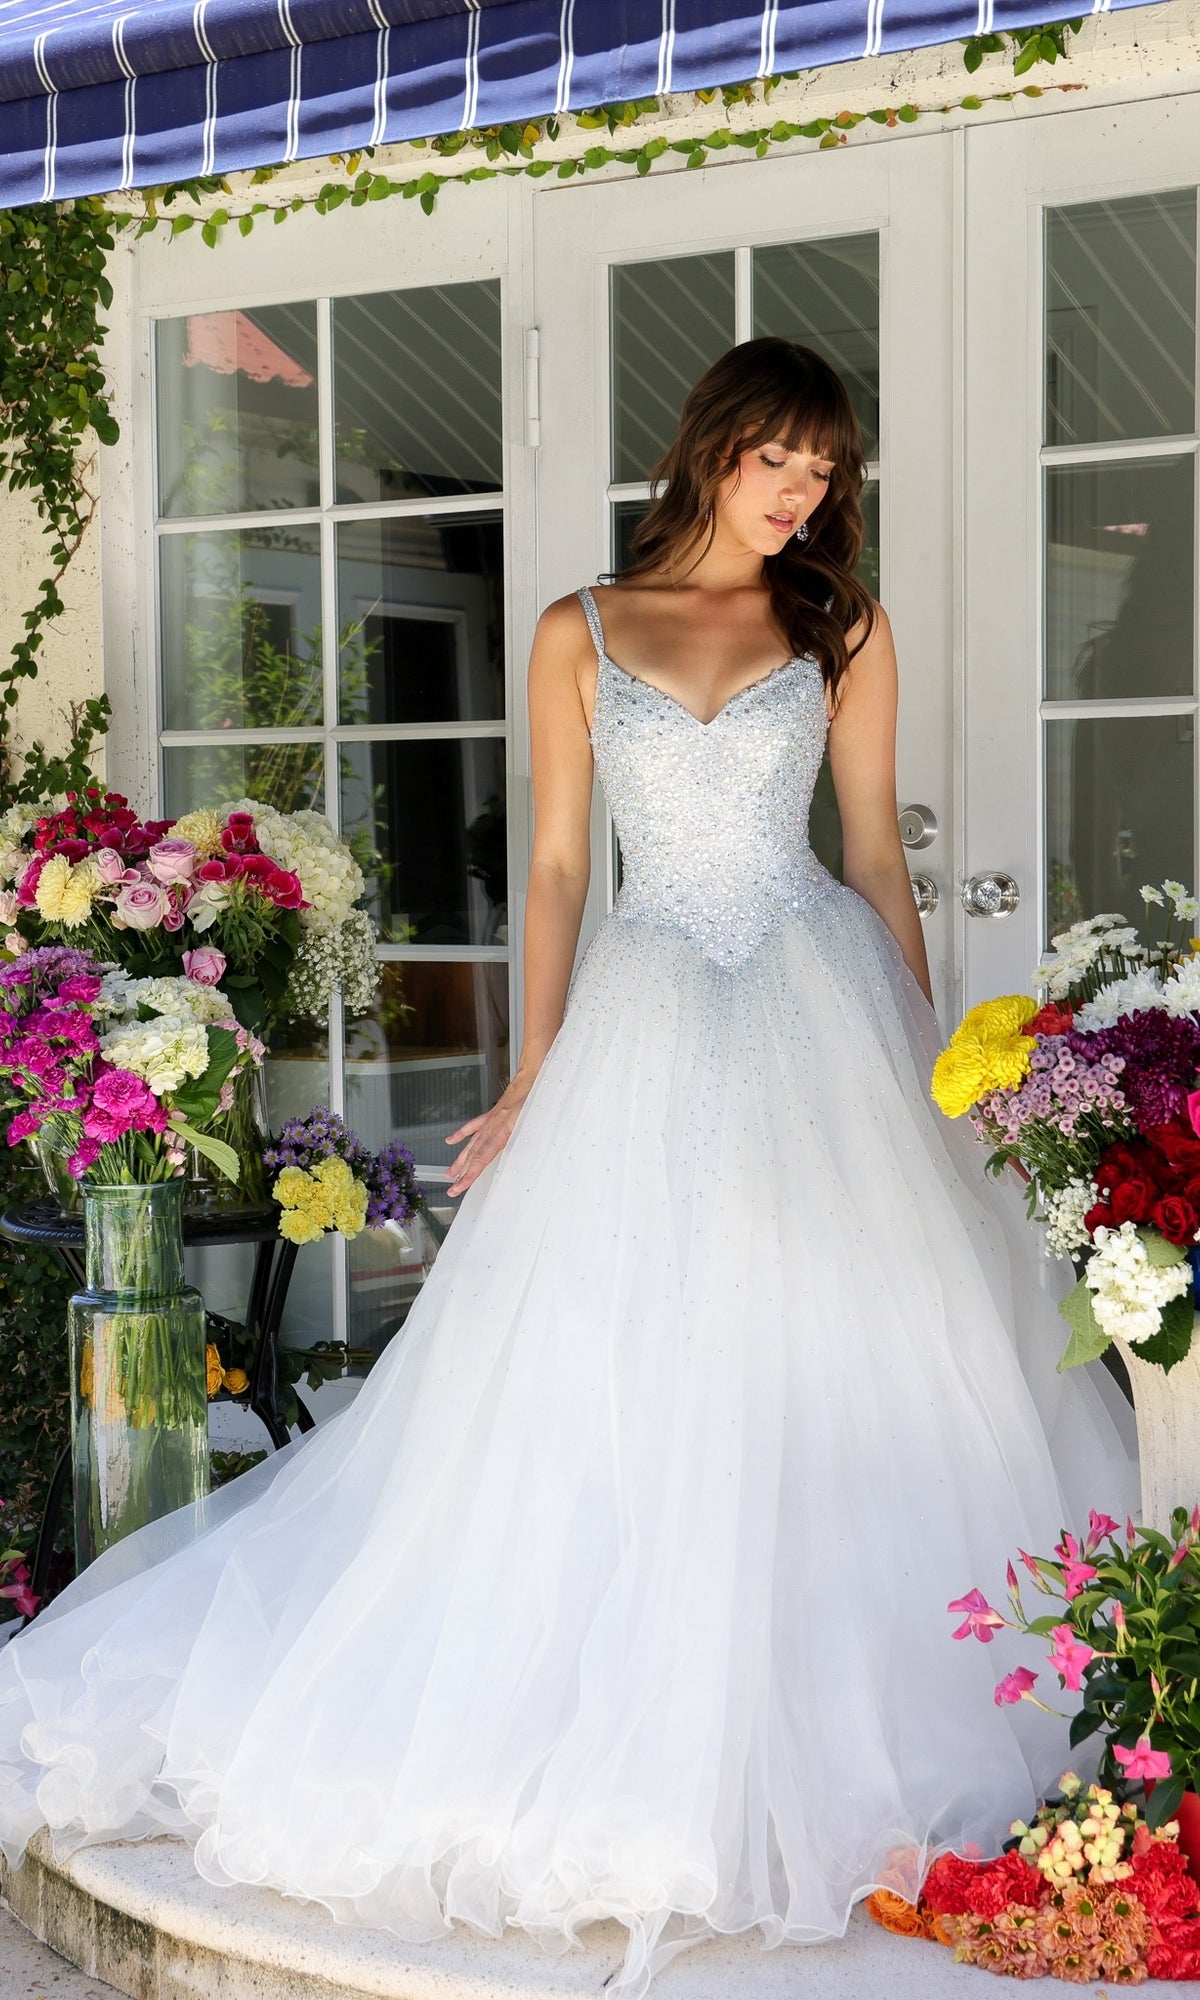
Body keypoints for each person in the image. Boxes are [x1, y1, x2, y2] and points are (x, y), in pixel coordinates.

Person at [0, 338, 1135, 1997]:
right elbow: (550, 866)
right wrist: (535, 1068)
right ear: (715, 446)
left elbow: (875, 852)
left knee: (848, 1346)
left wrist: (933, 1067)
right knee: (614, 1361)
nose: (803, 494)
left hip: (817, 999)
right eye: (781, 461)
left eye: (826, 473)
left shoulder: (843, 624)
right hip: (647, 1003)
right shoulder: (577, 629)